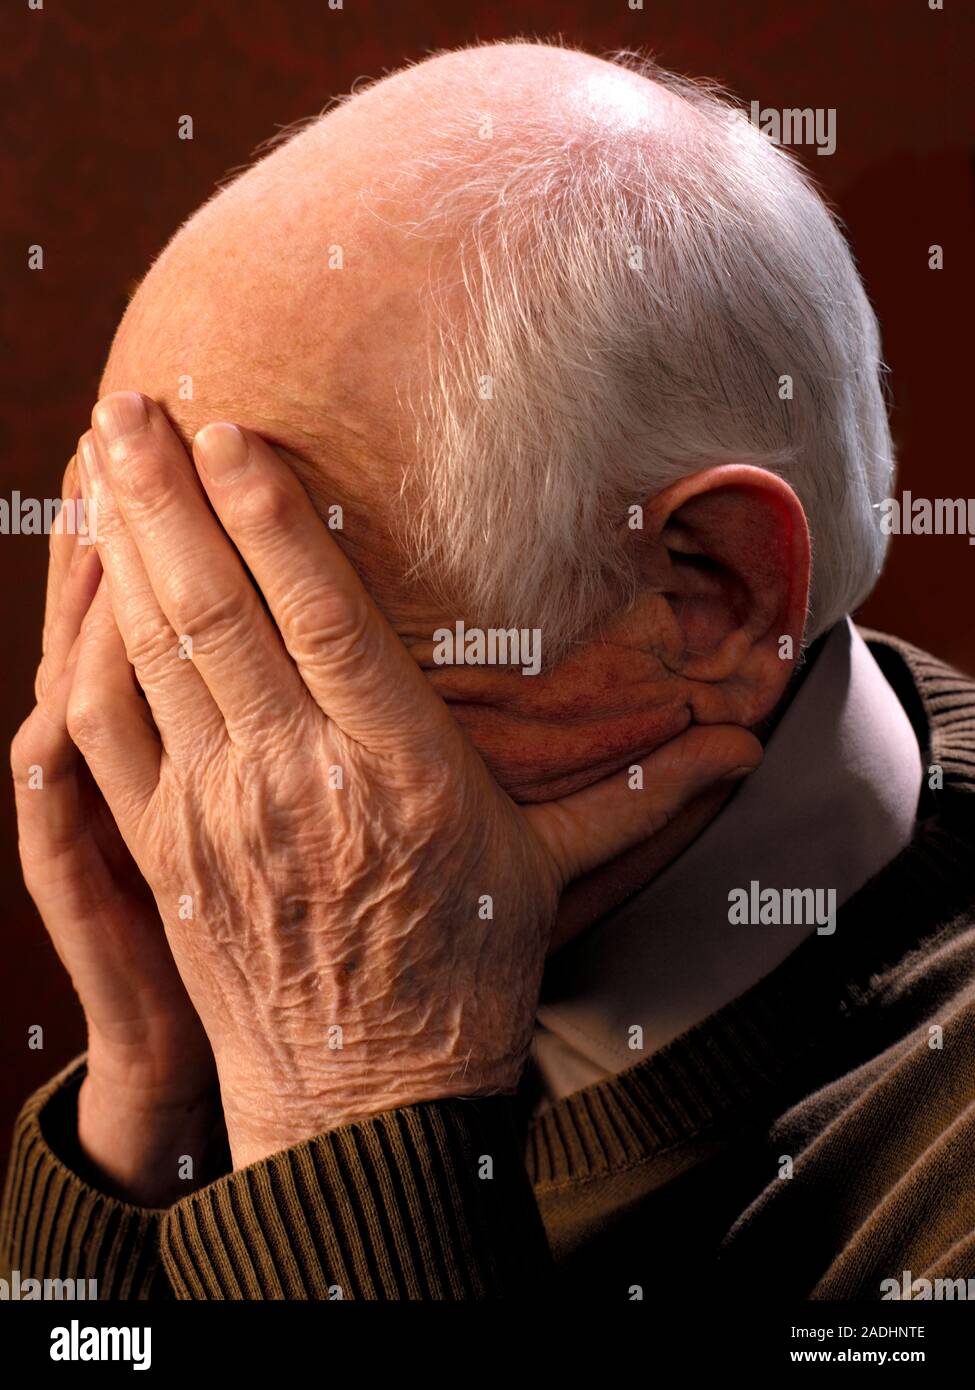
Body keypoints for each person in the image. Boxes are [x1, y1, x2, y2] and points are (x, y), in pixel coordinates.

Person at [4, 41, 973, 1301]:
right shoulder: (223, 984)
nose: (123, 722)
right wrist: (154, 1090)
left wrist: (344, 1100)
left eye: (263, 631)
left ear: (710, 593)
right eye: (140, 590)